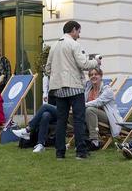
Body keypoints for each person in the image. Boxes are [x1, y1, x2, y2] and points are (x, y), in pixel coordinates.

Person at [46, 20, 99, 160]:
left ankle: (60, 153)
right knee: (78, 120)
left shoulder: (54, 46)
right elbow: (84, 64)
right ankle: (81, 152)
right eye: (79, 31)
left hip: (58, 88)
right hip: (74, 87)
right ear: (74, 29)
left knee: (61, 121)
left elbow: (47, 68)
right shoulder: (74, 44)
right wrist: (96, 62)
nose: (79, 35)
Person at [82, 66, 121, 149]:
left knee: (89, 110)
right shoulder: (88, 89)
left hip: (108, 117)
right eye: (91, 75)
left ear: (101, 76)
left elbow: (98, 102)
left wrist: (82, 105)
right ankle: (83, 138)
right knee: (72, 113)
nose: (93, 76)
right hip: (91, 116)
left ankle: (95, 141)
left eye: (96, 74)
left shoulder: (107, 90)